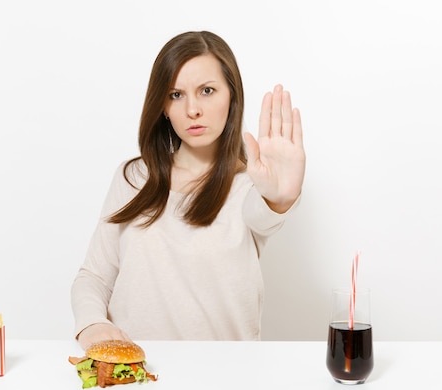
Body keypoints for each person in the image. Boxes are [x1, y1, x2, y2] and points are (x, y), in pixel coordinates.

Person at [71, 30, 305, 350]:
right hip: (136, 378)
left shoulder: (249, 186)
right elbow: (94, 277)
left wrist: (281, 197)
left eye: (207, 91)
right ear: (163, 107)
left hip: (224, 383)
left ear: (231, 97)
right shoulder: (134, 177)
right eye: (176, 95)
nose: (192, 109)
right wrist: (92, 324)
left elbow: (265, 213)